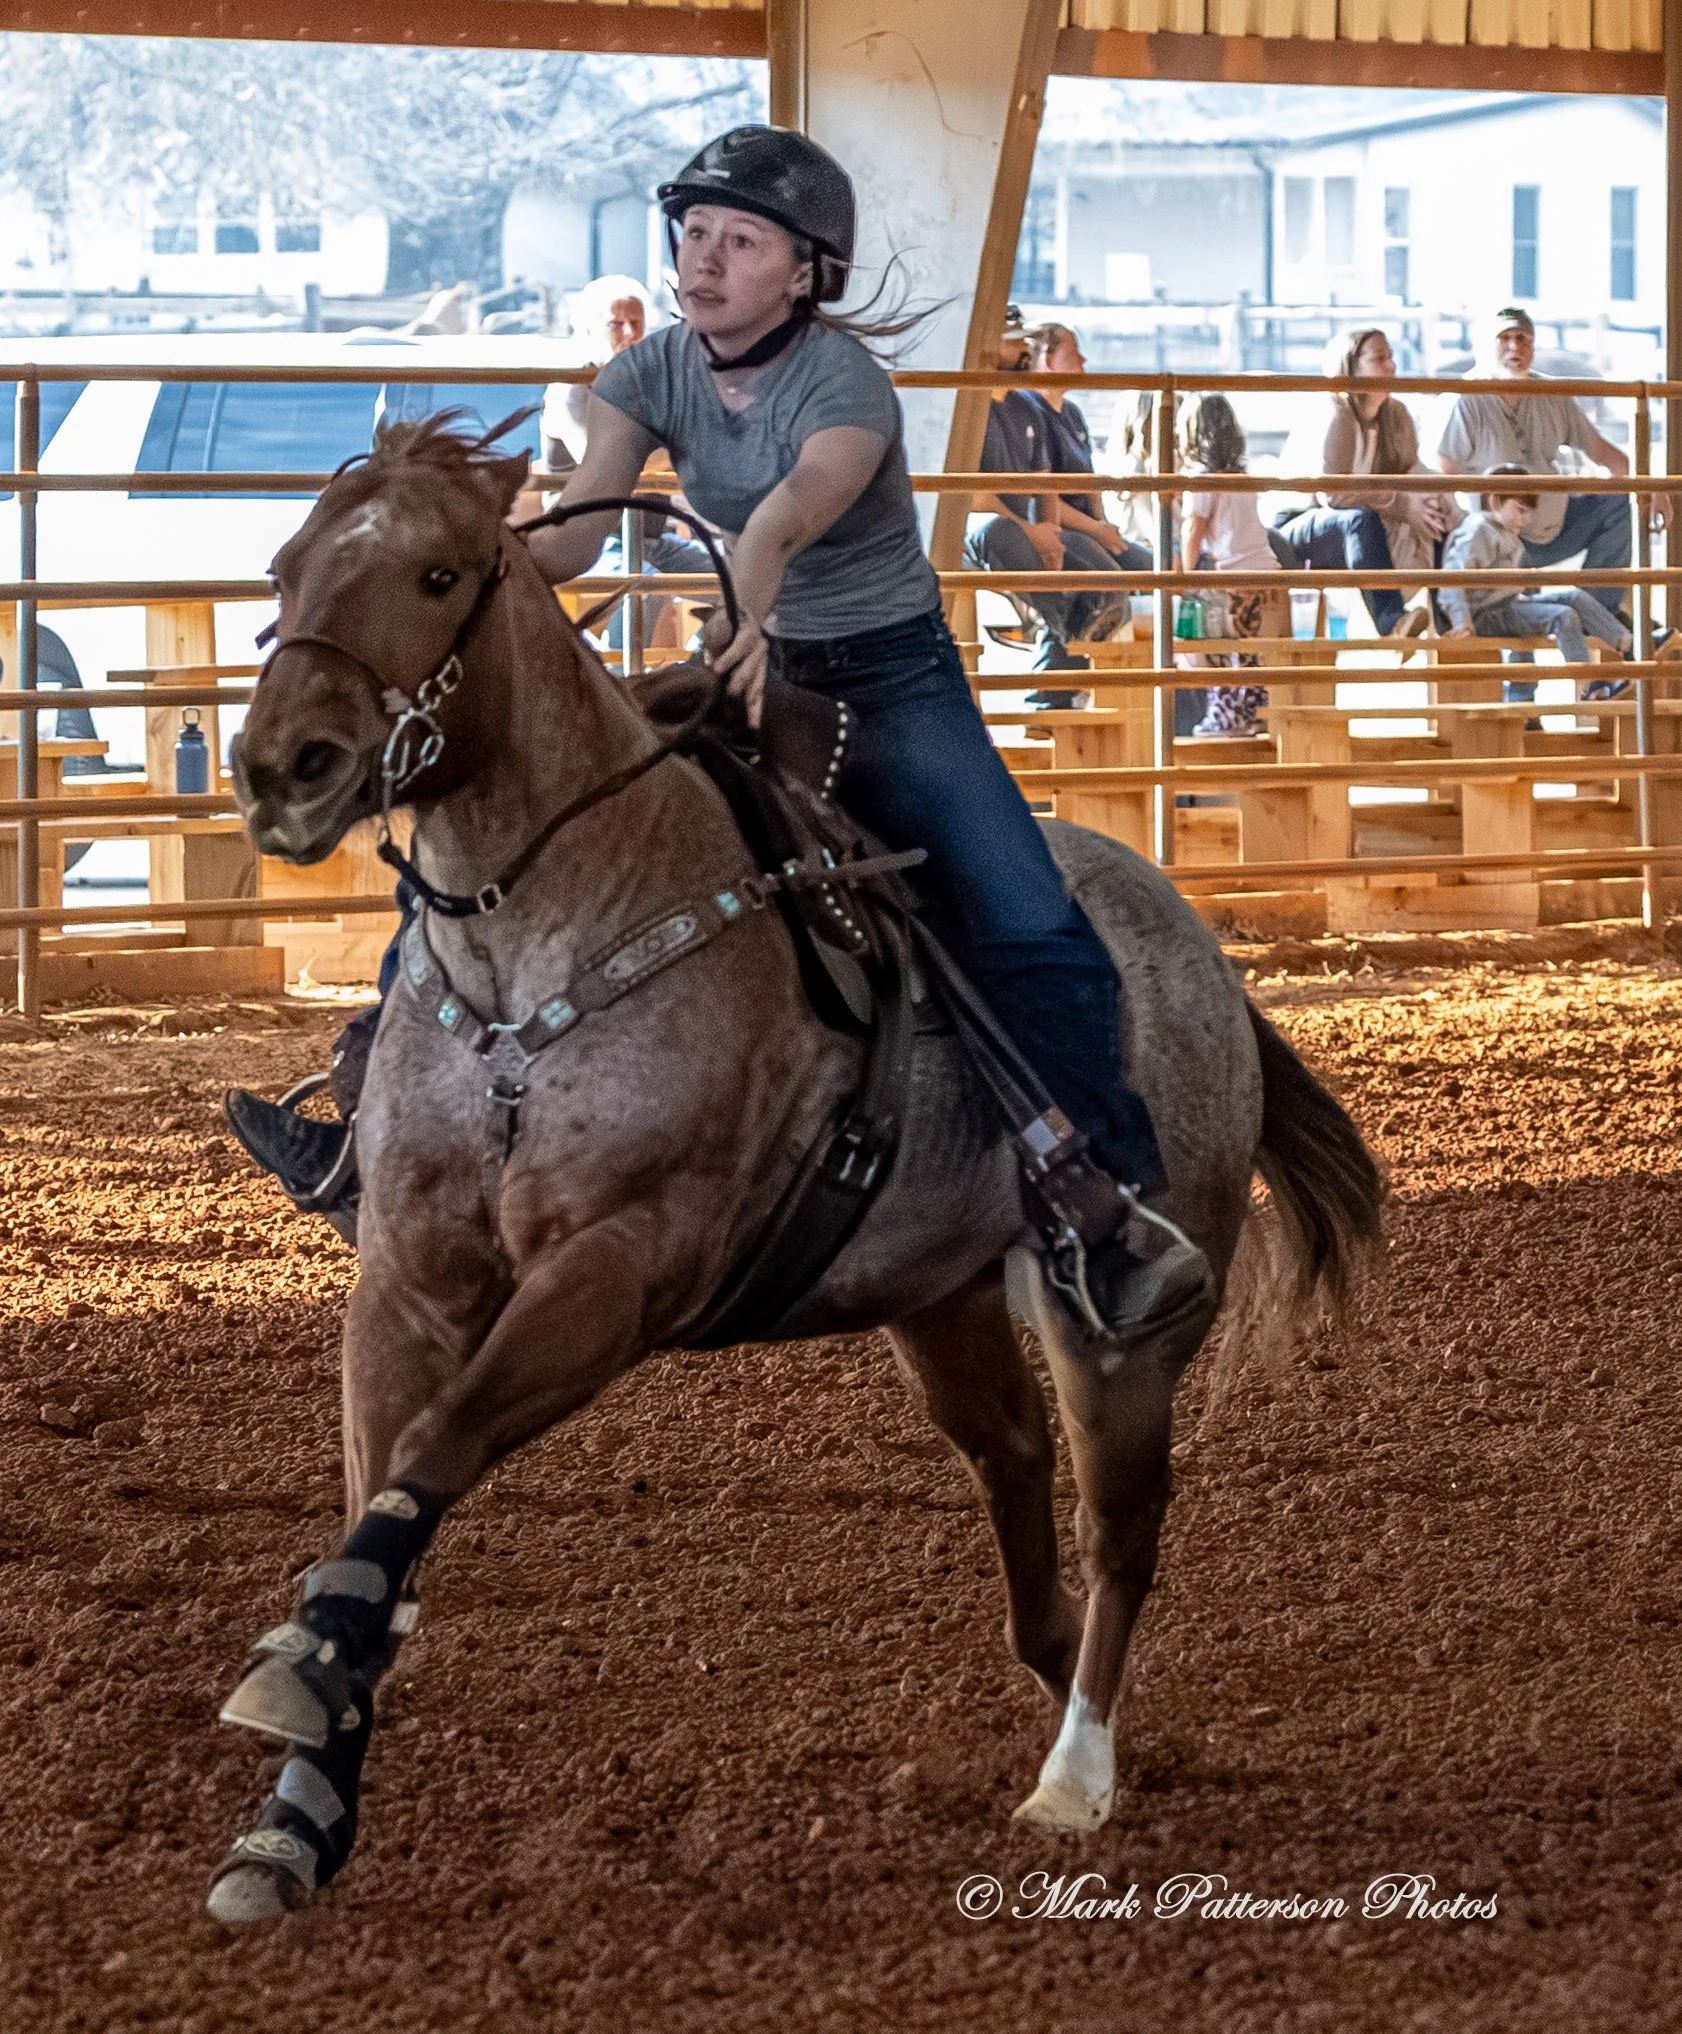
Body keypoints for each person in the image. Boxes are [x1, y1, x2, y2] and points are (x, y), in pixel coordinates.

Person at [225, 125, 1211, 1349]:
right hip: (741, 665)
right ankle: (367, 1110)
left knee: (1026, 914)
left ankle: (1100, 1210)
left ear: (804, 272)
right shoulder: (645, 375)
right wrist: (465, 562)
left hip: (886, 683)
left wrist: (741, 607)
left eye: (739, 241)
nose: (703, 260)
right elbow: (580, 535)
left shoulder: (846, 389)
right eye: (693, 234)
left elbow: (781, 525)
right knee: (515, 841)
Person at [531, 273, 711, 650]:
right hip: (591, 538)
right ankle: (616, 683)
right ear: (589, 329)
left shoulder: (643, 385)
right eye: (616, 324)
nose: (630, 333)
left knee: (735, 583)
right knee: (646, 586)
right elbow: (609, 465)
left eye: (637, 323)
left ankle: (698, 677)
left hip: (650, 535)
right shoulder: (570, 391)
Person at [1436, 306, 1644, 625]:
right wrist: (1472, 531)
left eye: (1523, 338)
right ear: (1487, 345)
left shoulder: (1552, 392)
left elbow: (1608, 455)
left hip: (1554, 529)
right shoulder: (1469, 399)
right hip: (1500, 542)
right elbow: (1446, 469)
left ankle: (1598, 616)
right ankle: (1600, 630)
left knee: (1618, 505)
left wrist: (1648, 490)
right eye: (1504, 338)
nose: (1514, 346)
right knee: (1522, 620)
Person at [966, 311, 1132, 694]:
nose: (1025, 350)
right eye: (1015, 342)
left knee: (1108, 581)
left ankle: (1055, 693)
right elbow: (976, 499)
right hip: (978, 531)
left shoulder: (1025, 407)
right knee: (999, 532)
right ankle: (1059, 640)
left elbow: (1046, 484)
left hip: (1024, 528)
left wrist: (1051, 534)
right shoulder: (970, 407)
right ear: (989, 347)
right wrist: (1034, 532)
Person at [1275, 327, 1457, 639]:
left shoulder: (1396, 414)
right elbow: (1333, 496)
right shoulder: (1336, 412)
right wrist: (1402, 504)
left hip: (1358, 533)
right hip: (1299, 532)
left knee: (1434, 507)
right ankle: (1392, 621)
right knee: (1360, 519)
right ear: (1350, 367)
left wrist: (1437, 494)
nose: (1391, 367)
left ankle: (1449, 618)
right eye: (1378, 359)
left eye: (1391, 358)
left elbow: (1412, 468)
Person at [1440, 465, 1633, 671]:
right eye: (1521, 510)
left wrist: (1515, 593)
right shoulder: (1477, 531)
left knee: (1575, 597)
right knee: (1563, 615)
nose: (1526, 519)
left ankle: (1629, 644)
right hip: (1487, 616)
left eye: (1529, 513)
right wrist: (1461, 621)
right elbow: (1453, 577)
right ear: (1495, 501)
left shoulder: (1505, 532)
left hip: (1506, 605)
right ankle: (1588, 682)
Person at [1179, 394, 1287, 739]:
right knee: (1251, 650)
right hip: (1266, 572)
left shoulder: (1201, 478)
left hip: (1232, 577)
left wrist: (1185, 575)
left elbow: (1193, 527)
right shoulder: (1241, 476)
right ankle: (1253, 711)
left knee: (1211, 643)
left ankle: (1226, 715)